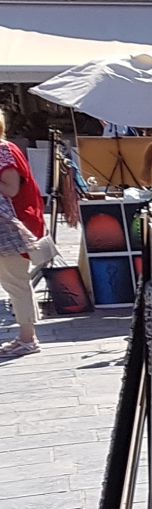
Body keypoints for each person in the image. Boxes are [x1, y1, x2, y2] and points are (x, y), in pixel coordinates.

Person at [0, 110, 45, 359]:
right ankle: (27, 336)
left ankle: (28, 338)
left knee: (15, 283)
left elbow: (11, 188)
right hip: (13, 225)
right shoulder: (6, 148)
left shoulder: (2, 150)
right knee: (15, 282)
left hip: (11, 227)